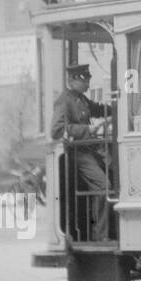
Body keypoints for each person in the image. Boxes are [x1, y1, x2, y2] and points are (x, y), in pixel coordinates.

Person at [50, 63, 113, 240]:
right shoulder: (64, 100)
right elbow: (56, 130)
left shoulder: (81, 99)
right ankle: (101, 236)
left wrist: (117, 107)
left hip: (90, 150)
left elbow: (99, 109)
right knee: (103, 187)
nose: (87, 83)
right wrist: (89, 130)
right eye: (84, 80)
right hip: (78, 153)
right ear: (72, 80)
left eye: (88, 79)